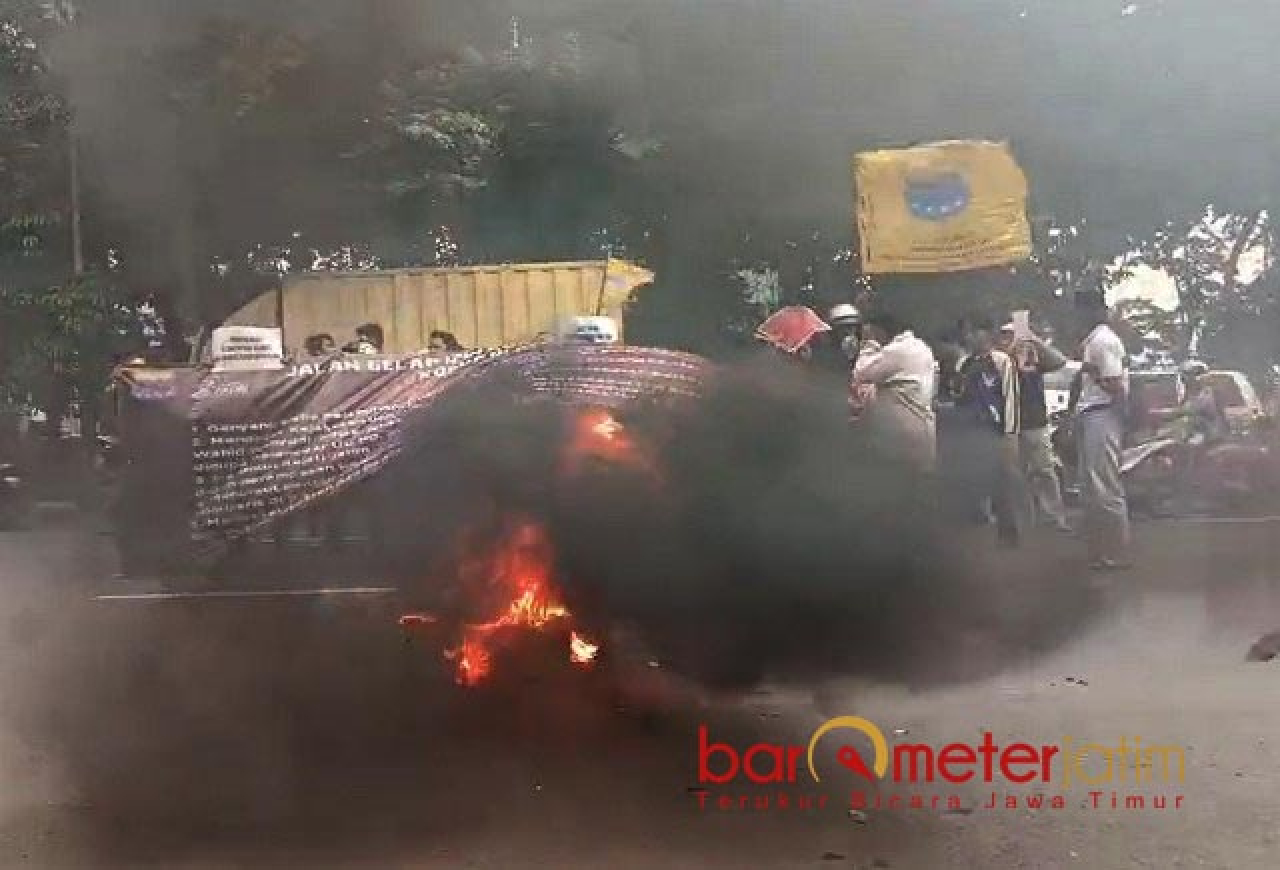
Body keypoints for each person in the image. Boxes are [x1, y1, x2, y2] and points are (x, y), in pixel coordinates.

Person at [1074, 297, 1132, 571]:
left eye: (1082, 310)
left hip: (1103, 412)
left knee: (1104, 485)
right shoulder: (1093, 340)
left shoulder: (1103, 341)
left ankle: (1117, 551)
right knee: (1091, 486)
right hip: (1093, 414)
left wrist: (1090, 371)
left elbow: (1114, 383)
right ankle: (1101, 551)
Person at [998, 322, 1072, 532]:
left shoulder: (1035, 360)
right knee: (1016, 474)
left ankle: (1054, 517)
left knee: (1045, 470)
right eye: (1006, 335)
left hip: (1036, 423)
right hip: (1011, 424)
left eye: (1013, 335)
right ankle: (1023, 520)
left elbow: (1060, 361)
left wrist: (1035, 341)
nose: (1011, 339)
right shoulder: (1001, 361)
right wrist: (1010, 351)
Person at [957, 324, 1022, 546]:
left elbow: (1010, 395)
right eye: (968, 332)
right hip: (971, 429)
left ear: (985, 334)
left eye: (975, 331)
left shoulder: (1001, 361)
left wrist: (1010, 432)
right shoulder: (966, 363)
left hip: (995, 430)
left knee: (1001, 482)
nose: (970, 336)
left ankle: (1008, 532)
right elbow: (961, 396)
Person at [850, 312, 938, 471]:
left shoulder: (896, 351)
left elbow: (861, 373)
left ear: (880, 331)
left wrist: (869, 344)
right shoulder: (921, 347)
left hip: (901, 437)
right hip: (922, 430)